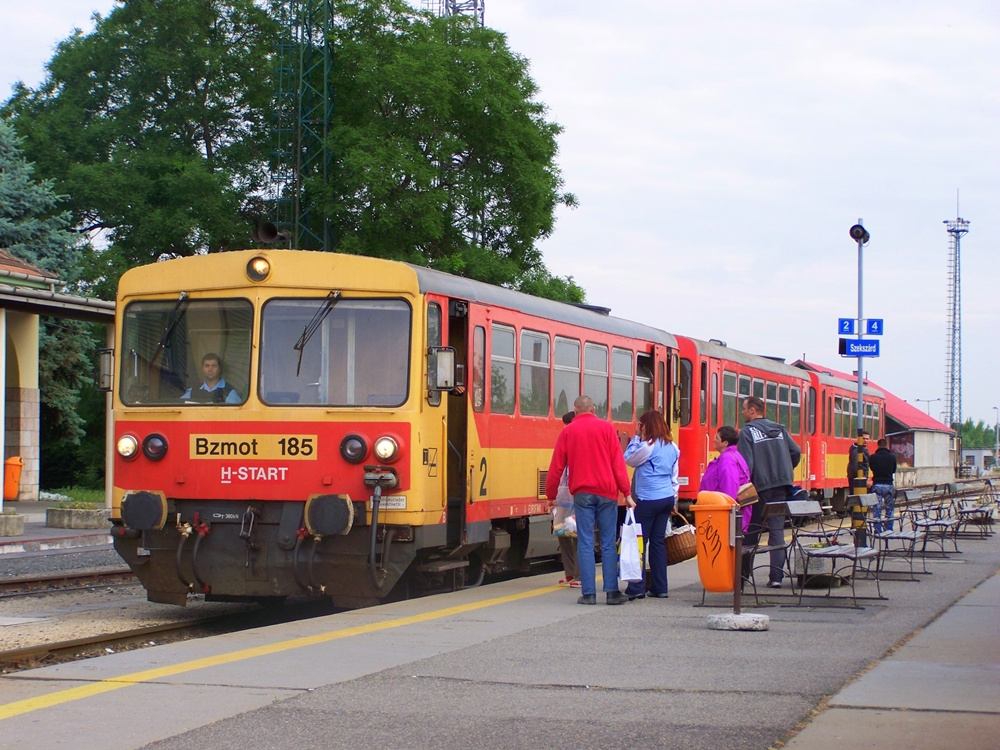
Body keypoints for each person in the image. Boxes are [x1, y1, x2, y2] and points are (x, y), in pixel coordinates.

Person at [545, 395, 634, 606]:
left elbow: (556, 466)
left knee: (584, 541)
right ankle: (612, 592)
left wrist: (551, 497)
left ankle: (589, 594)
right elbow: (617, 464)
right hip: (607, 493)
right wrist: (627, 492)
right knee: (608, 543)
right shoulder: (606, 429)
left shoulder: (567, 432)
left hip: (583, 494)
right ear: (593, 409)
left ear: (575, 411)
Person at [737, 396, 801, 589]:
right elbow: (796, 451)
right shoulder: (780, 429)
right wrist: (786, 469)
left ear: (752, 411)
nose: (742, 412)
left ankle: (743, 576)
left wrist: (744, 486)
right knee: (776, 532)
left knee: (751, 532)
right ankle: (776, 578)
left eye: (744, 409)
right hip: (781, 486)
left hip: (759, 488)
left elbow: (746, 464)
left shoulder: (748, 433)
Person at [620, 410, 680, 600]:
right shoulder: (673, 447)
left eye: (642, 425)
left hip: (648, 499)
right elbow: (674, 476)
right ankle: (660, 586)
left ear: (646, 426)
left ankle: (636, 587)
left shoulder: (647, 447)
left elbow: (628, 459)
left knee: (639, 542)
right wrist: (674, 500)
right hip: (666, 498)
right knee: (658, 543)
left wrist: (636, 437)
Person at [700, 425, 751, 533]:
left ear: (725, 443)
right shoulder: (733, 455)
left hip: (724, 516)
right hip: (723, 512)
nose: (713, 439)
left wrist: (726, 515)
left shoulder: (727, 459)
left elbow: (730, 489)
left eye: (717, 438)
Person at [549, 412, 580, 587]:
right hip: (564, 494)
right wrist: (553, 497)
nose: (565, 429)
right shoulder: (565, 441)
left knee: (576, 533)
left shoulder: (581, 443)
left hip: (578, 493)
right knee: (561, 531)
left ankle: (579, 575)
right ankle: (570, 574)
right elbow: (557, 470)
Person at [868, 438, 898, 533]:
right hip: (888, 484)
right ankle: (889, 529)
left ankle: (877, 530)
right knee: (890, 508)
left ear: (878, 445)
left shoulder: (872, 457)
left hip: (877, 485)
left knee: (877, 509)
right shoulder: (892, 457)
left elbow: (872, 468)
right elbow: (893, 470)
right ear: (887, 445)